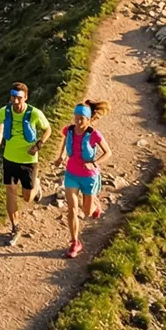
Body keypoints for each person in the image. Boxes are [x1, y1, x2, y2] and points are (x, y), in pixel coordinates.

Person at [0, 82, 50, 247]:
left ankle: (36, 185)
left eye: (19, 98)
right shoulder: (5, 111)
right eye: (13, 97)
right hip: (9, 158)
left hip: (28, 160)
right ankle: (14, 227)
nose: (15, 101)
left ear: (25, 97)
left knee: (27, 197)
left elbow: (48, 130)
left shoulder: (34, 113)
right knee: (10, 191)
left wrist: (38, 145)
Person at [57, 100, 108, 258]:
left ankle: (95, 205)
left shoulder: (94, 134)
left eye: (81, 118)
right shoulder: (69, 130)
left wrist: (94, 163)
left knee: (87, 211)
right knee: (71, 209)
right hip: (71, 174)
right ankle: (75, 242)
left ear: (89, 119)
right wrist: (61, 156)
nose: (77, 121)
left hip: (88, 177)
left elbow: (108, 152)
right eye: (76, 117)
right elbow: (65, 141)